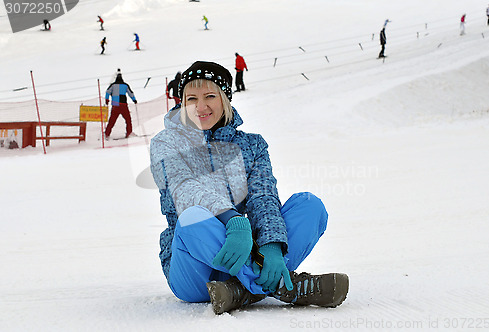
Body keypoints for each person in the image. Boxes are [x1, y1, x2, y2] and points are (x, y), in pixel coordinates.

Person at [149, 61, 349, 315]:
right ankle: (282, 285)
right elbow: (184, 190)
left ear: (225, 98)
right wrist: (232, 219)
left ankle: (240, 290)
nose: (200, 107)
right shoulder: (166, 143)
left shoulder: (252, 146)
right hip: (194, 266)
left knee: (309, 205)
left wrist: (272, 246)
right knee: (192, 218)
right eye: (191, 98)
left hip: (241, 252)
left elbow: (263, 197)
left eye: (210, 96)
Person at [104, 69, 137, 138]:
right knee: (128, 120)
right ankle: (129, 133)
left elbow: (107, 92)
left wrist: (107, 100)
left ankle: (107, 134)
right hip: (123, 105)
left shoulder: (113, 85)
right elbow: (130, 93)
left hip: (115, 105)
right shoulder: (125, 85)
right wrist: (134, 100)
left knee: (112, 121)